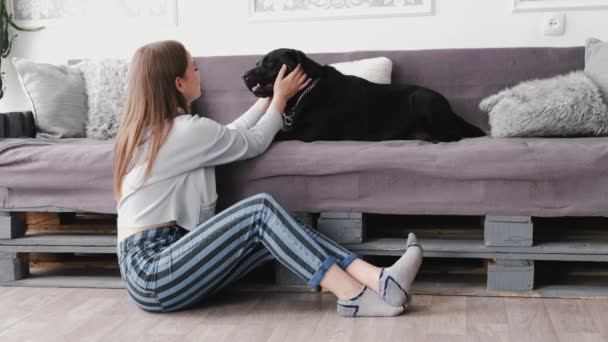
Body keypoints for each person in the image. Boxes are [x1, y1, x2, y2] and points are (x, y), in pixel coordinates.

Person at [113, 40, 424, 317]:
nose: (200, 74)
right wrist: (278, 100)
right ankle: (353, 296)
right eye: (194, 68)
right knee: (260, 209)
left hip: (163, 265)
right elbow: (252, 143)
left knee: (284, 229)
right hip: (154, 271)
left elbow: (230, 134)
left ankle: (380, 280)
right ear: (179, 83)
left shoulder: (162, 131)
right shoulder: (182, 131)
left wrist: (268, 98)